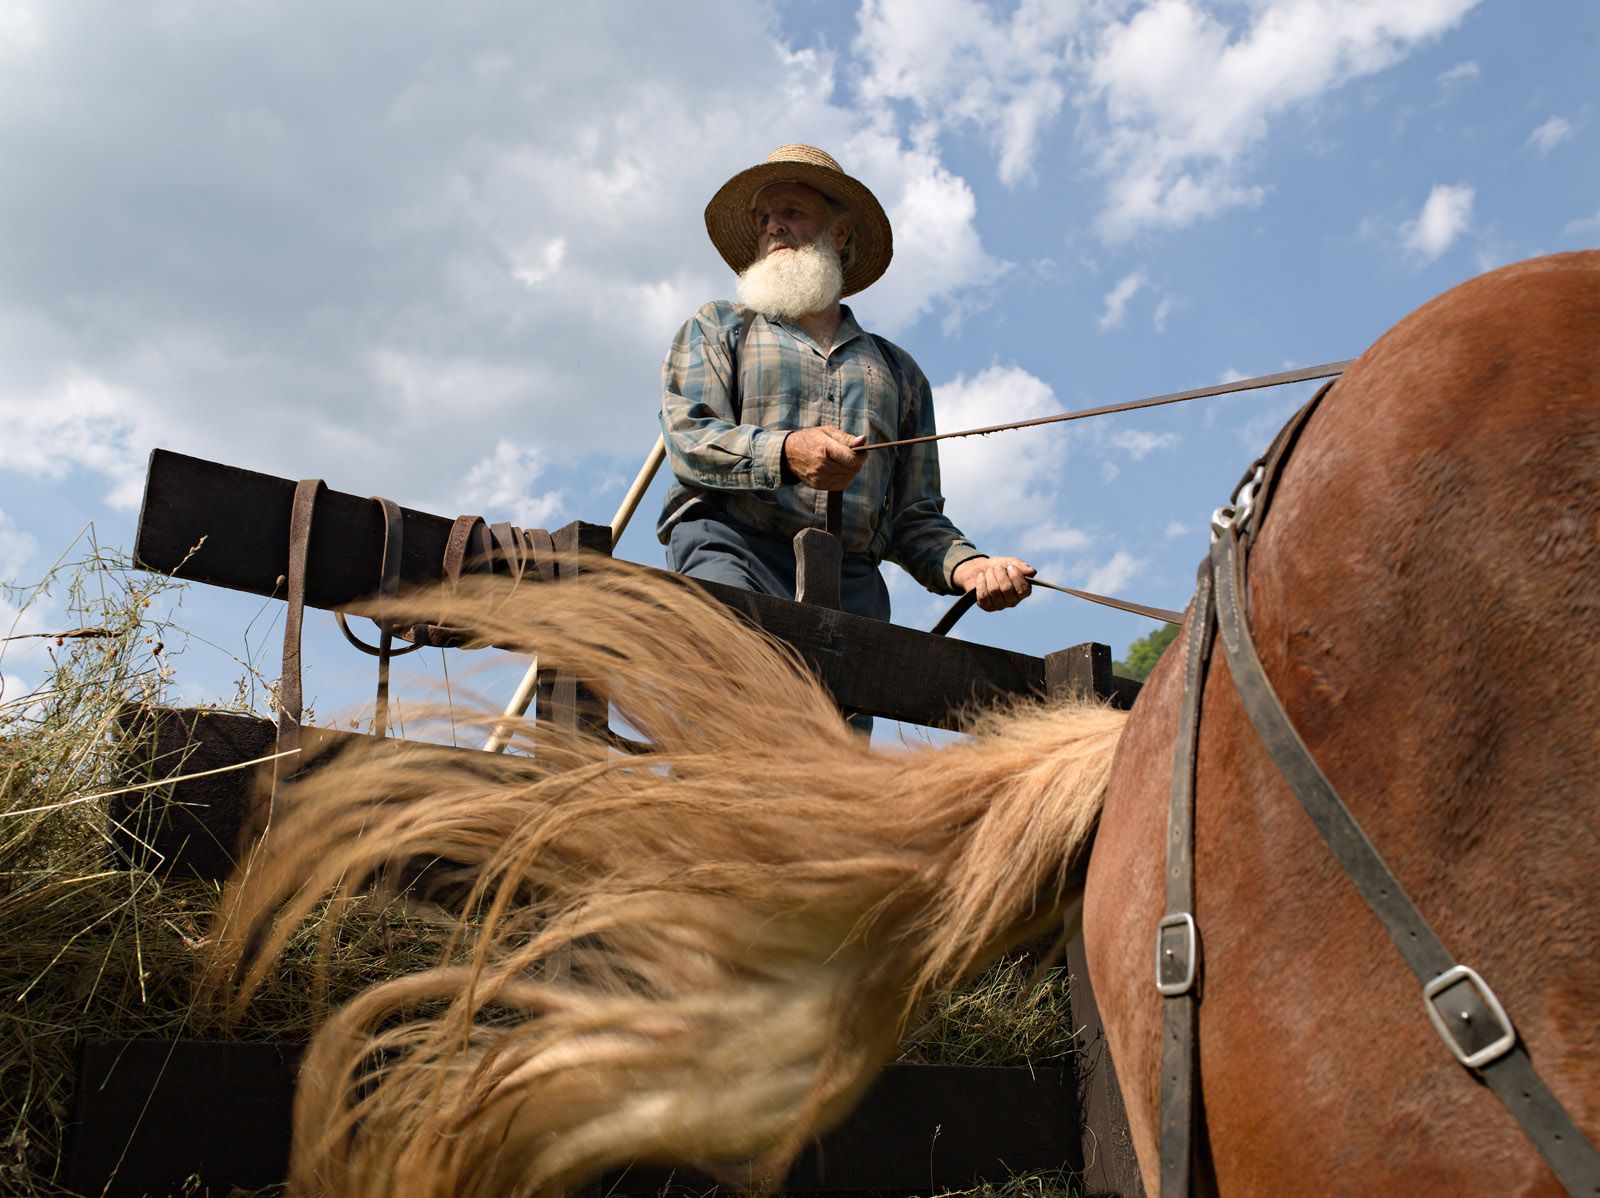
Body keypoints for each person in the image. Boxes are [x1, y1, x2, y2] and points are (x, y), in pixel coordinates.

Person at [656, 143, 1035, 630]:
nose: (773, 226)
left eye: (791, 212)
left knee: (840, 707)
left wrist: (970, 566)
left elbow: (912, 517)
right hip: (733, 549)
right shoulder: (719, 327)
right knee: (738, 684)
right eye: (765, 217)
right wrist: (789, 452)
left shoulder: (899, 372)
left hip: (849, 581)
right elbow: (689, 439)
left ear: (839, 232)